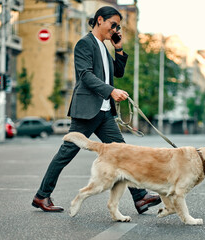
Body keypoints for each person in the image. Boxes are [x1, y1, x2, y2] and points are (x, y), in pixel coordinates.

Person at [32, 6, 161, 214]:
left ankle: (140, 197)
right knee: (65, 153)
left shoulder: (104, 46)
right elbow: (85, 75)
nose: (115, 29)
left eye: (118, 26)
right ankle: (41, 196)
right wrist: (111, 91)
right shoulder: (85, 44)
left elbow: (117, 72)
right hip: (87, 110)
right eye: (113, 24)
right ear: (100, 20)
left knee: (123, 153)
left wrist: (118, 49)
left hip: (104, 113)